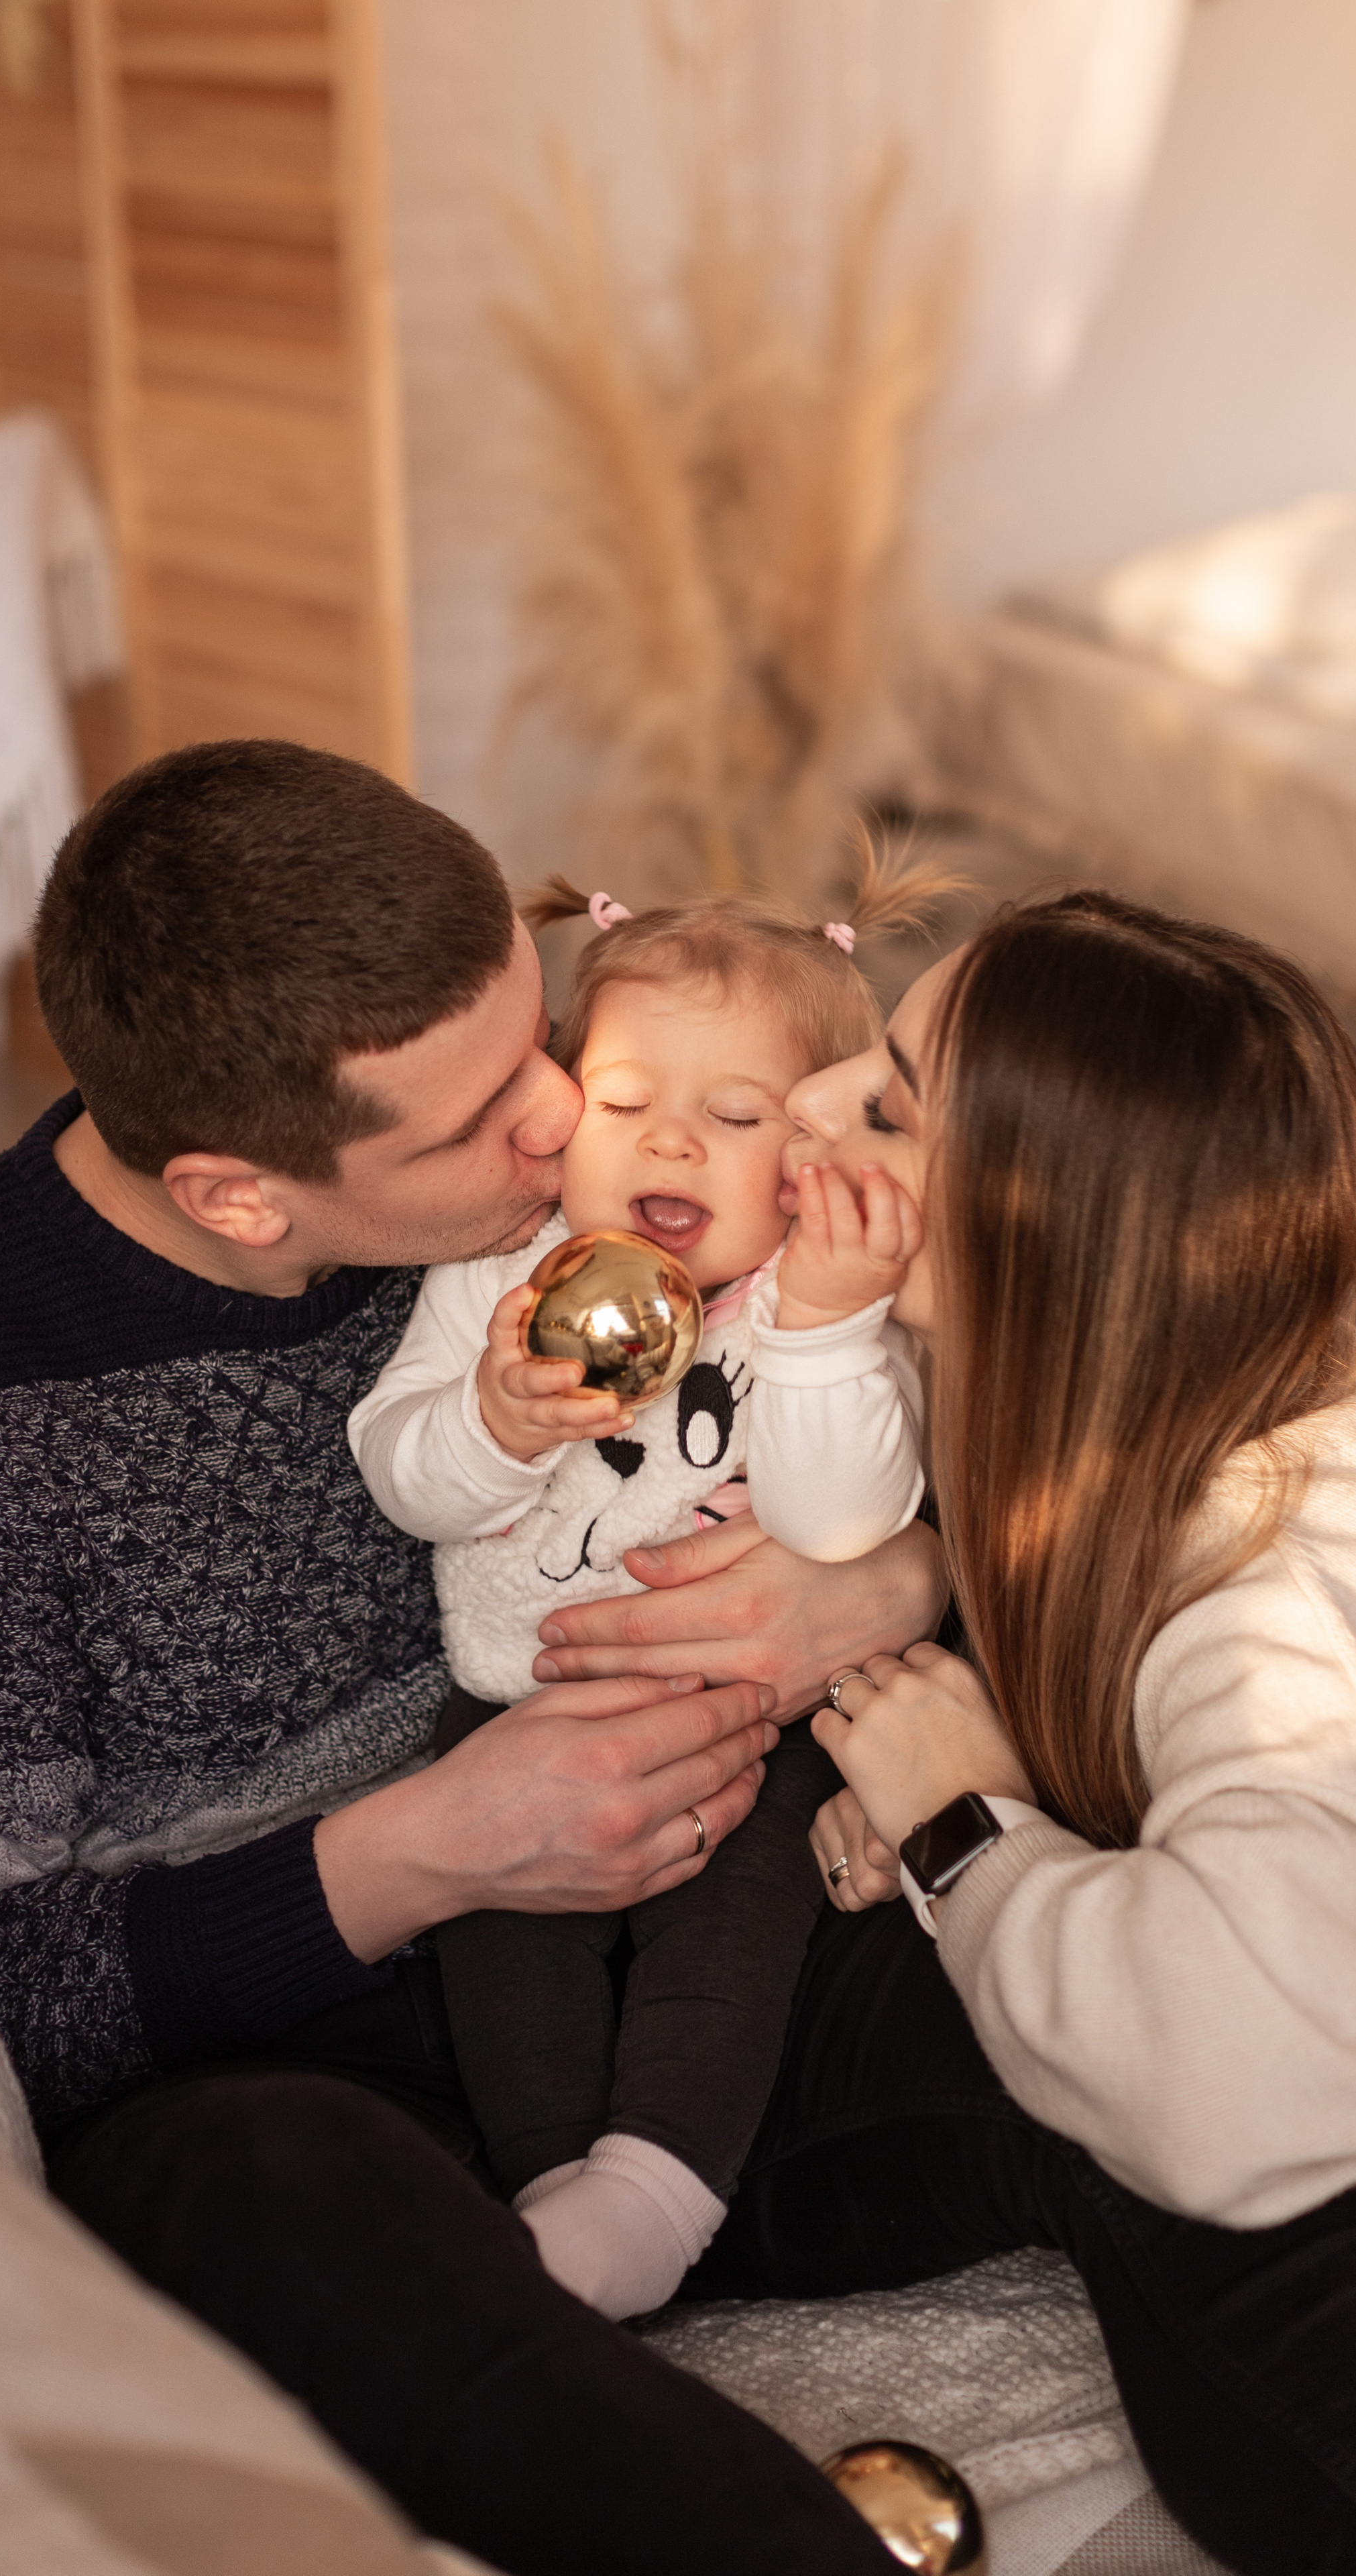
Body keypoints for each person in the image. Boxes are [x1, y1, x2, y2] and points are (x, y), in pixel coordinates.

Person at [0, 739, 943, 2576]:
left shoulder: (549, 1202)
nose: (569, 1119)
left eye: (538, 1039)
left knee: (1107, 2047)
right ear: (241, 1196)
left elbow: (848, 1393)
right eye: (486, 1113)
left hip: (695, 1922)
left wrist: (888, 1580)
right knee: (280, 2208)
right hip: (291, 2080)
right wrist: (425, 1851)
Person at [687, 884, 1356, 2575]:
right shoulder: (1204, 1383)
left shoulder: (1276, 1610)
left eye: (890, 1107)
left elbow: (1235, 2091)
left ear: (1039, 1228)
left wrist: (965, 1827)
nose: (814, 1107)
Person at [350, 867, 939, 2319]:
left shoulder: (823, 1301)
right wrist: (491, 1421)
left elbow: (846, 1519)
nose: (670, 1138)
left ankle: (659, 2184)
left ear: (806, 1154)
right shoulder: (501, 1277)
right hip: (518, 1702)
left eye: (735, 1117)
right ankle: (557, 2191)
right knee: (503, 1946)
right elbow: (400, 1477)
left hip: (749, 1722)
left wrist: (821, 1328)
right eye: (622, 1102)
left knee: (734, 1943)